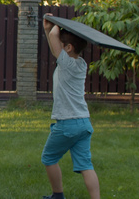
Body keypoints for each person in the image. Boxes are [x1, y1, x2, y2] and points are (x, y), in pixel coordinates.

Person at [41, 13, 100, 199]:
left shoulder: (66, 64)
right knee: (85, 165)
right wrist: (47, 29)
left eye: (62, 43)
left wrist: (56, 23)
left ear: (68, 47)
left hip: (67, 123)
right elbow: (54, 46)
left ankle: (57, 196)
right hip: (83, 123)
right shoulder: (80, 64)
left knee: (49, 158)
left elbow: (53, 39)